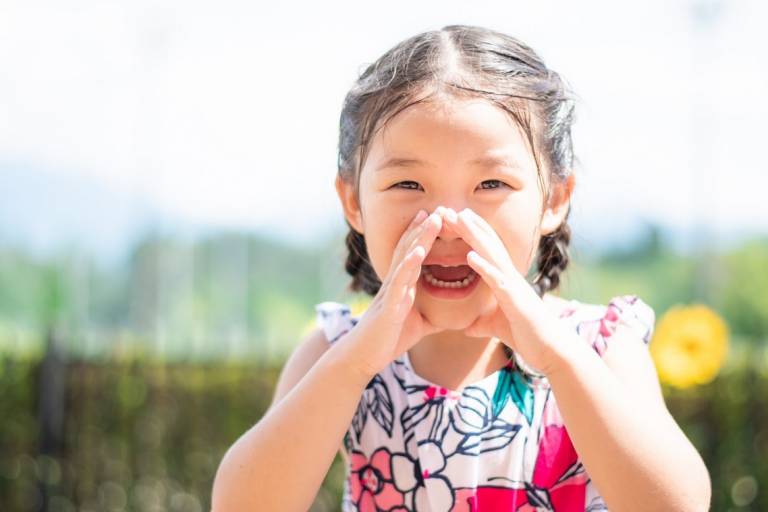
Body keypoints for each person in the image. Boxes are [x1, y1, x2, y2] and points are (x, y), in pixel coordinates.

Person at [212, 24, 711, 511]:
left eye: (491, 184)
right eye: (408, 185)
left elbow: (679, 504)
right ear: (353, 201)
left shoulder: (598, 347)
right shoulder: (337, 351)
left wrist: (557, 358)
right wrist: (354, 366)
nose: (448, 223)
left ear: (554, 198)